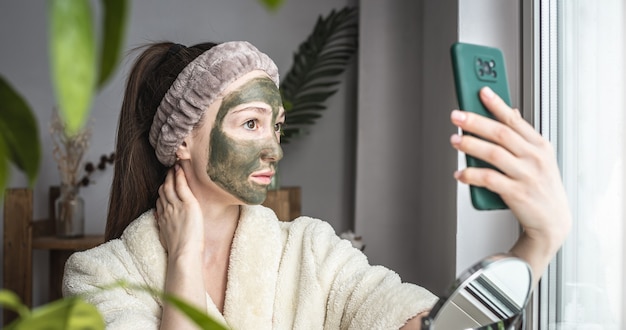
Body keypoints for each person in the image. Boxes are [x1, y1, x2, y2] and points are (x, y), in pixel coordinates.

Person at [62, 40, 572, 330]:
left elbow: (412, 321)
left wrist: (538, 242)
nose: (274, 149)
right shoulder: (98, 276)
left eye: (276, 127)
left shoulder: (310, 250)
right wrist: (182, 258)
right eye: (250, 124)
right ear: (180, 142)